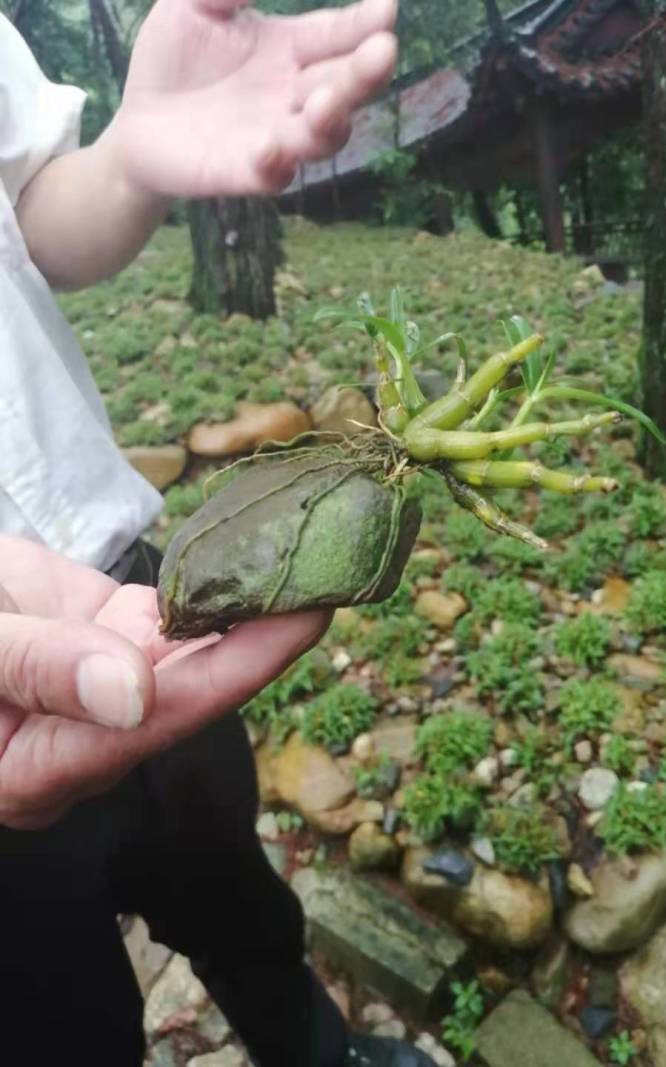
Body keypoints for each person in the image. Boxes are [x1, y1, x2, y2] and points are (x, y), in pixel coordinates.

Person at [0, 2, 437, 1065]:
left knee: (235, 897)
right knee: (60, 1021)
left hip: (138, 585)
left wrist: (130, 159)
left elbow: (31, 217)